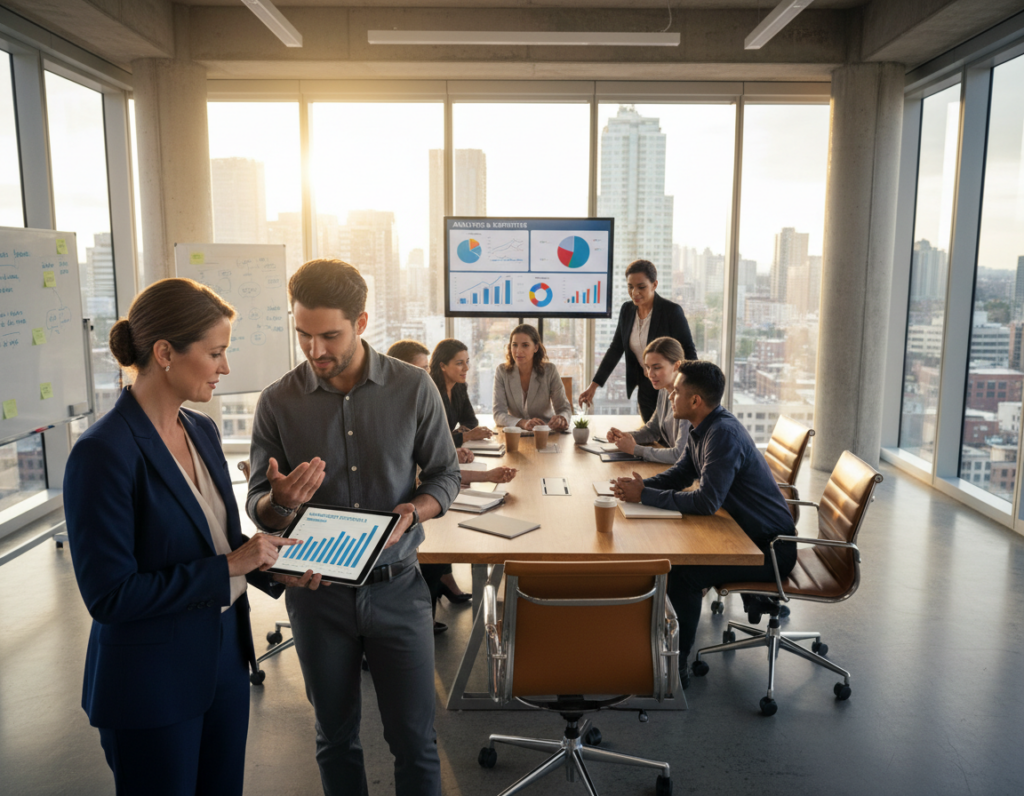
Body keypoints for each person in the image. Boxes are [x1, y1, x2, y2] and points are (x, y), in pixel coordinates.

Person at [63, 278, 321, 796]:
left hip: (223, 659)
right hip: (150, 680)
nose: (225, 368)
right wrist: (232, 565)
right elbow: (110, 596)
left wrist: (275, 567)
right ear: (164, 353)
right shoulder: (102, 453)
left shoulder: (200, 430)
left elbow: (220, 545)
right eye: (215, 353)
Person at [246, 259, 461, 796]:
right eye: (304, 335)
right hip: (318, 599)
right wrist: (278, 501)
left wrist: (413, 511)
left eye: (330, 336)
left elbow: (445, 475)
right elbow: (257, 505)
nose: (316, 350)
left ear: (361, 323)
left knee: (415, 742)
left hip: (398, 589)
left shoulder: (413, 388)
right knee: (334, 738)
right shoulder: (277, 401)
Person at [611, 360, 797, 668]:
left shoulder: (722, 435)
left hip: (769, 550)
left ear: (695, 400)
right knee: (670, 554)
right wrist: (640, 486)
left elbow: (706, 502)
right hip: (741, 532)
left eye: (676, 392)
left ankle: (675, 666)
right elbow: (681, 474)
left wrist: (644, 495)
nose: (671, 396)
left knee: (684, 573)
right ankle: (657, 641)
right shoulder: (703, 427)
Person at [386, 338, 513, 634]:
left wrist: (485, 475)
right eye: (420, 370)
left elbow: (436, 469)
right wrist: (476, 468)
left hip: (415, 504)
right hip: (398, 515)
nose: (424, 378)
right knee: (435, 537)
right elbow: (422, 474)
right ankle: (423, 614)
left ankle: (439, 591)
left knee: (443, 523)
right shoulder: (395, 414)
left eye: (426, 370)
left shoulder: (418, 403)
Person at [579, 259, 697, 422]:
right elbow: (616, 348)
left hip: (672, 387)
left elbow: (689, 352)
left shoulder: (671, 312)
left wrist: (690, 390)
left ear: (654, 285)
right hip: (647, 385)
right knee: (650, 434)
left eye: (641, 287)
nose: (635, 292)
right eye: (630, 287)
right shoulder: (627, 310)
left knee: (672, 438)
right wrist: (594, 386)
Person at [606, 336, 691, 464]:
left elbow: (679, 454)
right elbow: (653, 430)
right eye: (648, 367)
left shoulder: (688, 398)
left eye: (656, 367)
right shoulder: (664, 389)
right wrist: (624, 437)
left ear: (676, 365)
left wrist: (635, 449)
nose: (650, 374)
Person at [492, 323, 572, 431]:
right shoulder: (502, 372)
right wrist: (522, 423)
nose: (518, 351)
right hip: (515, 434)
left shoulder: (550, 371)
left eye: (525, 345)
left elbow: (564, 408)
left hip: (546, 433)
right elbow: (498, 414)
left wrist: (561, 419)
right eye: (514, 345)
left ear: (536, 347)